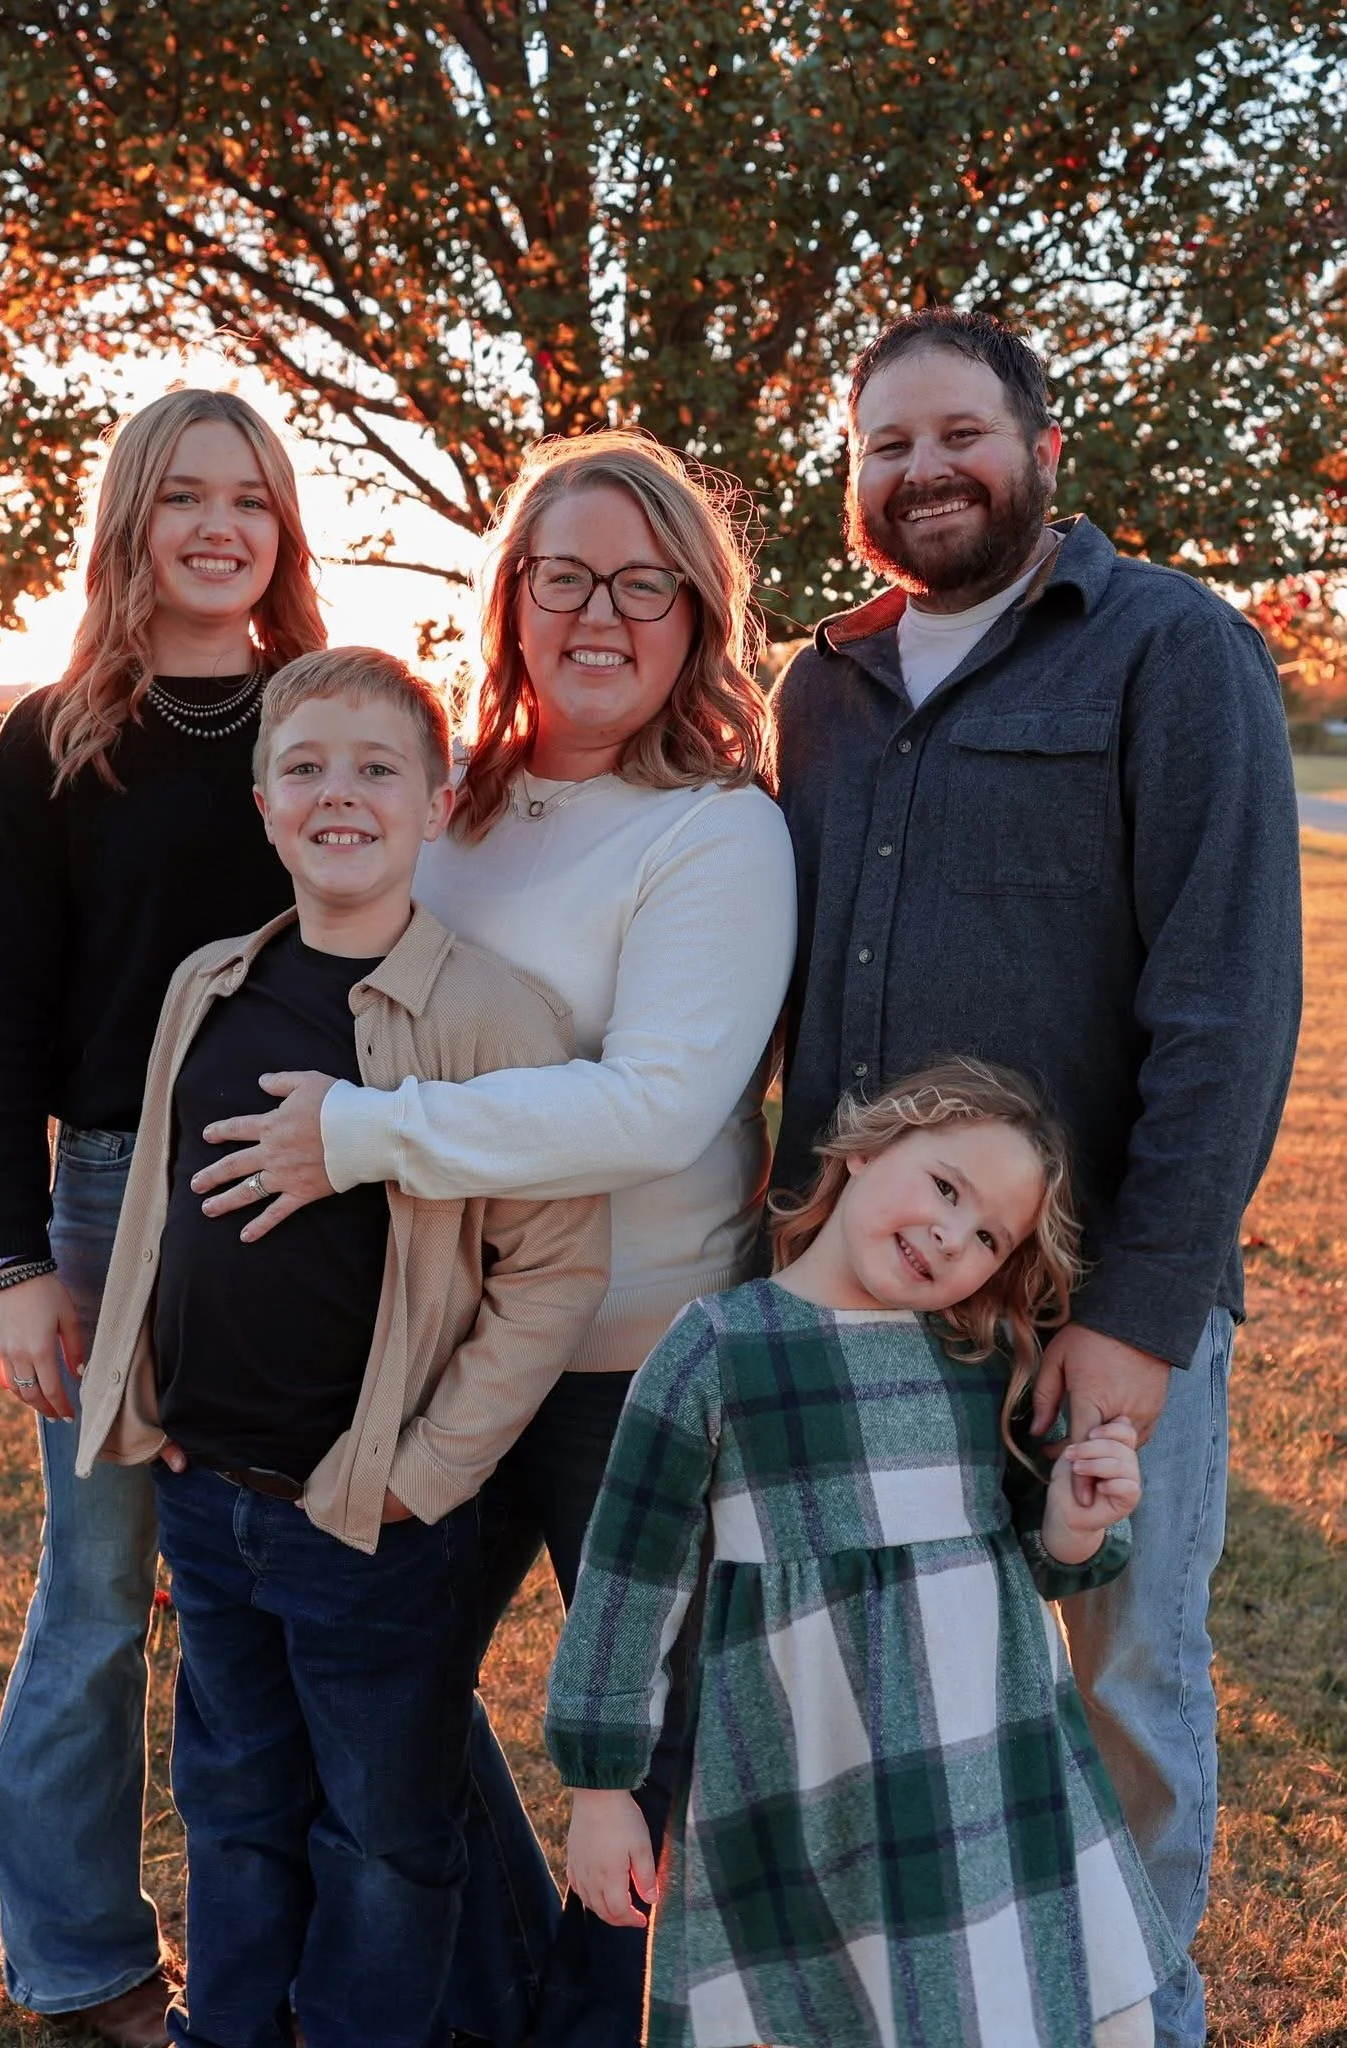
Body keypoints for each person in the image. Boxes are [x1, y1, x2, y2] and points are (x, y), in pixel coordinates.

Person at [188, 431, 798, 2047]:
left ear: (695, 612)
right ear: (513, 597)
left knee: (631, 1748)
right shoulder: (456, 805)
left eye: (643, 581)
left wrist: (363, 1136)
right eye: (563, 574)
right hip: (444, 1345)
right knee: (380, 1697)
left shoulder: (720, 832)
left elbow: (655, 1105)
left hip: (639, 1368)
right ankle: (506, 1987)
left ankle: (592, 2021)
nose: (600, 611)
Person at [770, 309, 1303, 2048]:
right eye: (885, 447)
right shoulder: (823, 685)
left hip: (1088, 1306)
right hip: (863, 1299)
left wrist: (1142, 1314)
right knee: (901, 1694)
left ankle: (1137, 2014)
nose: (922, 473)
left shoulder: (1169, 649)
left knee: (1121, 1682)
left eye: (957, 435)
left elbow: (1225, 1004)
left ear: (1043, 451)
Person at [75, 647, 609, 2048]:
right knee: (234, 1801)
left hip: (370, 1513)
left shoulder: (488, 1014)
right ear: (262, 803)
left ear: (437, 803)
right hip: (207, 1487)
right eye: (305, 766)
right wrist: (148, 1405)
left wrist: (419, 1474)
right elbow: (153, 1215)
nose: (338, 795)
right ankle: (232, 2028)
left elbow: (551, 1271)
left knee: (382, 1831)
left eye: (377, 768)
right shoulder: (211, 981)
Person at [549, 1059, 1181, 2048]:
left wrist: (1076, 1520)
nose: (950, 1235)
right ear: (864, 1147)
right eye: (943, 1185)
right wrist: (600, 1787)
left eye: (987, 1236)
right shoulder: (720, 1347)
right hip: (810, 1776)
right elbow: (630, 1585)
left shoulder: (979, 1355)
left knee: (1014, 1998)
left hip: (989, 1767)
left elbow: (1036, 1554)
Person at [0, 388, 326, 2046]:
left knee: (322, 1578)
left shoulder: (317, 718)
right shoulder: (57, 740)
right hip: (113, 1201)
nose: (219, 525)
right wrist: (18, 1261)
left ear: (281, 526)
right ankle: (82, 1959)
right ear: (130, 520)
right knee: (105, 1593)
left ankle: (335, 1935)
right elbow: (0, 1020)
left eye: (250, 496)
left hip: (310, 1185)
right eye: (184, 494)